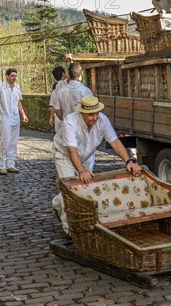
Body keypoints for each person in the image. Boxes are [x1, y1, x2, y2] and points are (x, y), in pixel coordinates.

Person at [52, 95, 142, 233]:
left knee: (84, 189)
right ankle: (70, 230)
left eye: (96, 113)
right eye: (90, 115)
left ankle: (57, 203)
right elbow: (72, 150)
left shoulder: (102, 120)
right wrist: (82, 171)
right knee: (71, 191)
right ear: (82, 113)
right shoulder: (70, 122)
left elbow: (115, 143)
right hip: (64, 156)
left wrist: (129, 161)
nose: (95, 117)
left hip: (87, 155)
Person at [0, 68, 29, 175]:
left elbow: (19, 102)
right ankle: (1, 165)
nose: (14, 77)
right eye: (12, 75)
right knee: (5, 142)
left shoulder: (17, 87)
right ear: (7, 76)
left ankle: (10, 164)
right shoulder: (0, 87)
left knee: (13, 142)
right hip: (4, 117)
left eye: (15, 76)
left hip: (15, 118)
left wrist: (23, 114)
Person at [48, 66, 68, 133]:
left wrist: (51, 118)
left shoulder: (54, 91)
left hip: (58, 117)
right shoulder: (69, 86)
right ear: (63, 74)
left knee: (60, 139)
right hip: (70, 116)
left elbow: (53, 106)